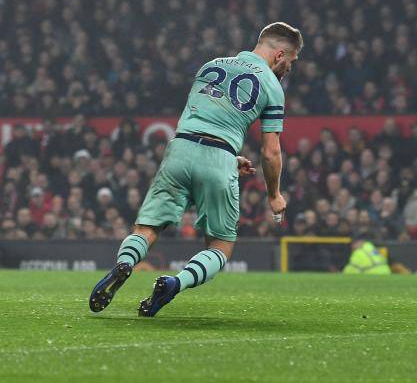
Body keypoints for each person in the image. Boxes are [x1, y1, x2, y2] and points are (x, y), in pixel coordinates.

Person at [89, 22, 303, 317]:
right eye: (290, 63)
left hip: (180, 148)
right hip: (218, 158)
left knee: (147, 228)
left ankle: (125, 263)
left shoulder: (211, 65)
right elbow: (270, 151)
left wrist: (229, 156)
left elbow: (206, 117)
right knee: (220, 246)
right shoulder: (272, 85)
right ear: (280, 55)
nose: (288, 70)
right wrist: (274, 194)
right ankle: (174, 283)